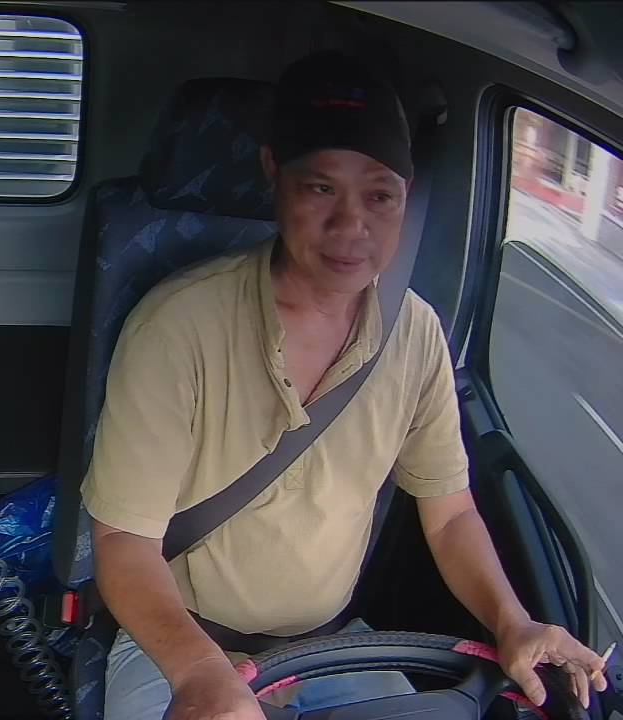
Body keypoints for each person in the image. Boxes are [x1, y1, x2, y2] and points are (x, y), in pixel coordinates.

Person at [83, 51, 608, 720]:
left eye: (379, 195)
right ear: (274, 172)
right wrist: (200, 672)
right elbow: (123, 544)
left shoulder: (415, 333)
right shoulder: (177, 326)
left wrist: (513, 622)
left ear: (406, 194)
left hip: (333, 645)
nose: (351, 227)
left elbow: (450, 513)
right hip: (179, 644)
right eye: (321, 188)